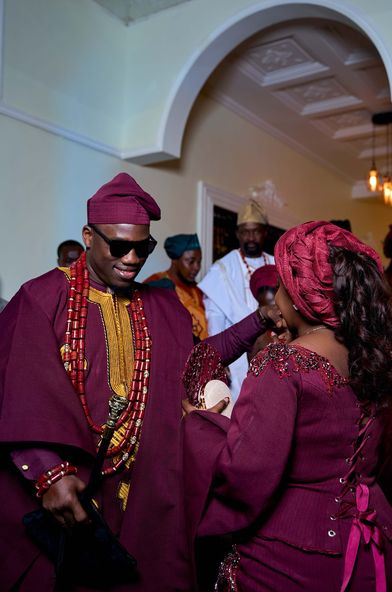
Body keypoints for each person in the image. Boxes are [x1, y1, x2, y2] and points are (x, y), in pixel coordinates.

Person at [0, 172, 280, 591]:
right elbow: (18, 390)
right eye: (119, 246)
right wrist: (49, 475)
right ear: (88, 236)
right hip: (66, 493)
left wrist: (259, 320)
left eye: (142, 247)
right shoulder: (41, 298)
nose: (132, 258)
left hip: (142, 488)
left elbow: (198, 359)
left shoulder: (163, 307)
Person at [182, 221, 392, 591]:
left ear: (297, 294)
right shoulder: (378, 352)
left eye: (282, 288)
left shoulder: (283, 364)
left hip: (292, 561)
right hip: (377, 548)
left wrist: (203, 425)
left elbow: (243, 479)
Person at [199, 199, 274, 398]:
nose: (250, 237)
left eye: (256, 231)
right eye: (245, 231)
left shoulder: (277, 263)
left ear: (265, 232)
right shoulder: (221, 269)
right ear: (237, 234)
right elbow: (215, 319)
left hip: (275, 349)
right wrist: (218, 360)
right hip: (236, 357)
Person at [144, 233, 208, 339]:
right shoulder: (156, 283)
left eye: (199, 261)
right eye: (191, 261)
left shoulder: (198, 289)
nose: (197, 267)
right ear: (175, 260)